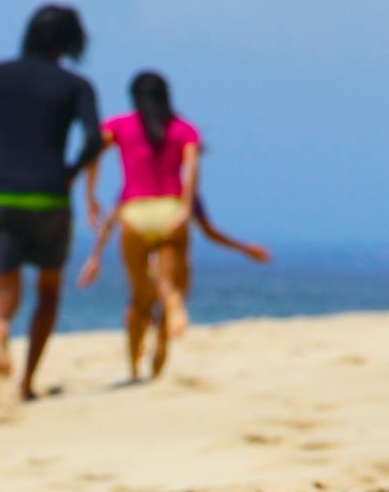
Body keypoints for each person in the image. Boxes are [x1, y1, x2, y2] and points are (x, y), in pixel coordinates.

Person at [79, 71, 269, 381]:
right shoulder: (184, 130)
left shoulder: (119, 126)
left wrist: (90, 200)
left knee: (137, 298)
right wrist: (184, 205)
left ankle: (133, 368)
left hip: (134, 213)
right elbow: (192, 170)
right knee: (172, 282)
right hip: (170, 210)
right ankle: (171, 306)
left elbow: (93, 155)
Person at [0, 3, 102, 400]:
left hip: (3, 192)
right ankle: (26, 381)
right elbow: (94, 141)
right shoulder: (76, 86)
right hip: (50, 195)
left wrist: (1, 153)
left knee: (4, 291)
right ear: (71, 41)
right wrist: (69, 173)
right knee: (48, 291)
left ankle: (0, 328)